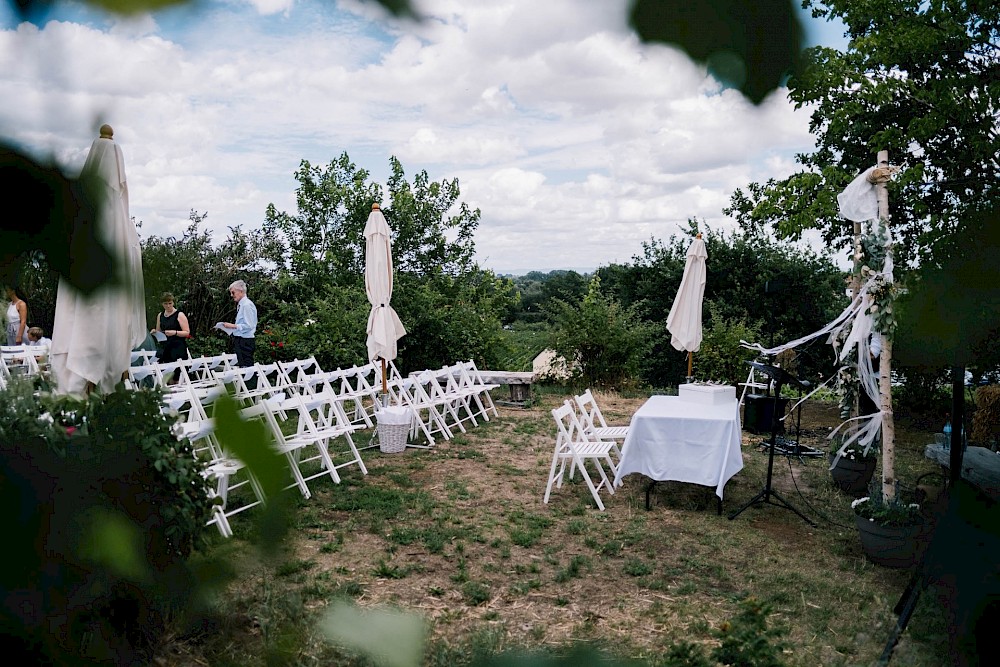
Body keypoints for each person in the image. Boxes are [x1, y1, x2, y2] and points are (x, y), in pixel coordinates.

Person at [151, 292, 190, 381]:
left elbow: (187, 332)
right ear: (162, 304)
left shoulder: (179, 315)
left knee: (177, 374)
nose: (168, 306)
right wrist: (155, 332)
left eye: (170, 303)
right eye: (166, 304)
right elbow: (159, 331)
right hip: (165, 347)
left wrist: (175, 332)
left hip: (177, 347)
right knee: (165, 374)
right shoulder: (160, 315)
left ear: (173, 303)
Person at [222, 280, 257, 367]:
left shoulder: (246, 305)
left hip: (245, 340)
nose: (231, 295)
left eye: (233, 293)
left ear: (240, 291)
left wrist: (233, 326)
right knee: (243, 366)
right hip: (240, 339)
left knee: (247, 367)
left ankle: (250, 381)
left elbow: (249, 325)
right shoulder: (242, 304)